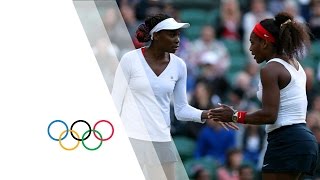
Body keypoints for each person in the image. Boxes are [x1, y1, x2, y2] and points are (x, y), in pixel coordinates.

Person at [111, 14, 237, 180]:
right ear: (155, 35)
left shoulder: (179, 65)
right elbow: (115, 103)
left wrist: (209, 113)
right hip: (132, 137)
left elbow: (181, 110)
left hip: (162, 139)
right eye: (172, 34)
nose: (177, 39)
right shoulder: (130, 60)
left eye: (178, 34)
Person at [209, 12, 319, 180]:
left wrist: (233, 116)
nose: (250, 48)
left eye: (253, 42)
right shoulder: (295, 64)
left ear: (266, 43)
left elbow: (269, 115)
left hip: (287, 139)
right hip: (302, 139)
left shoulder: (270, 69)